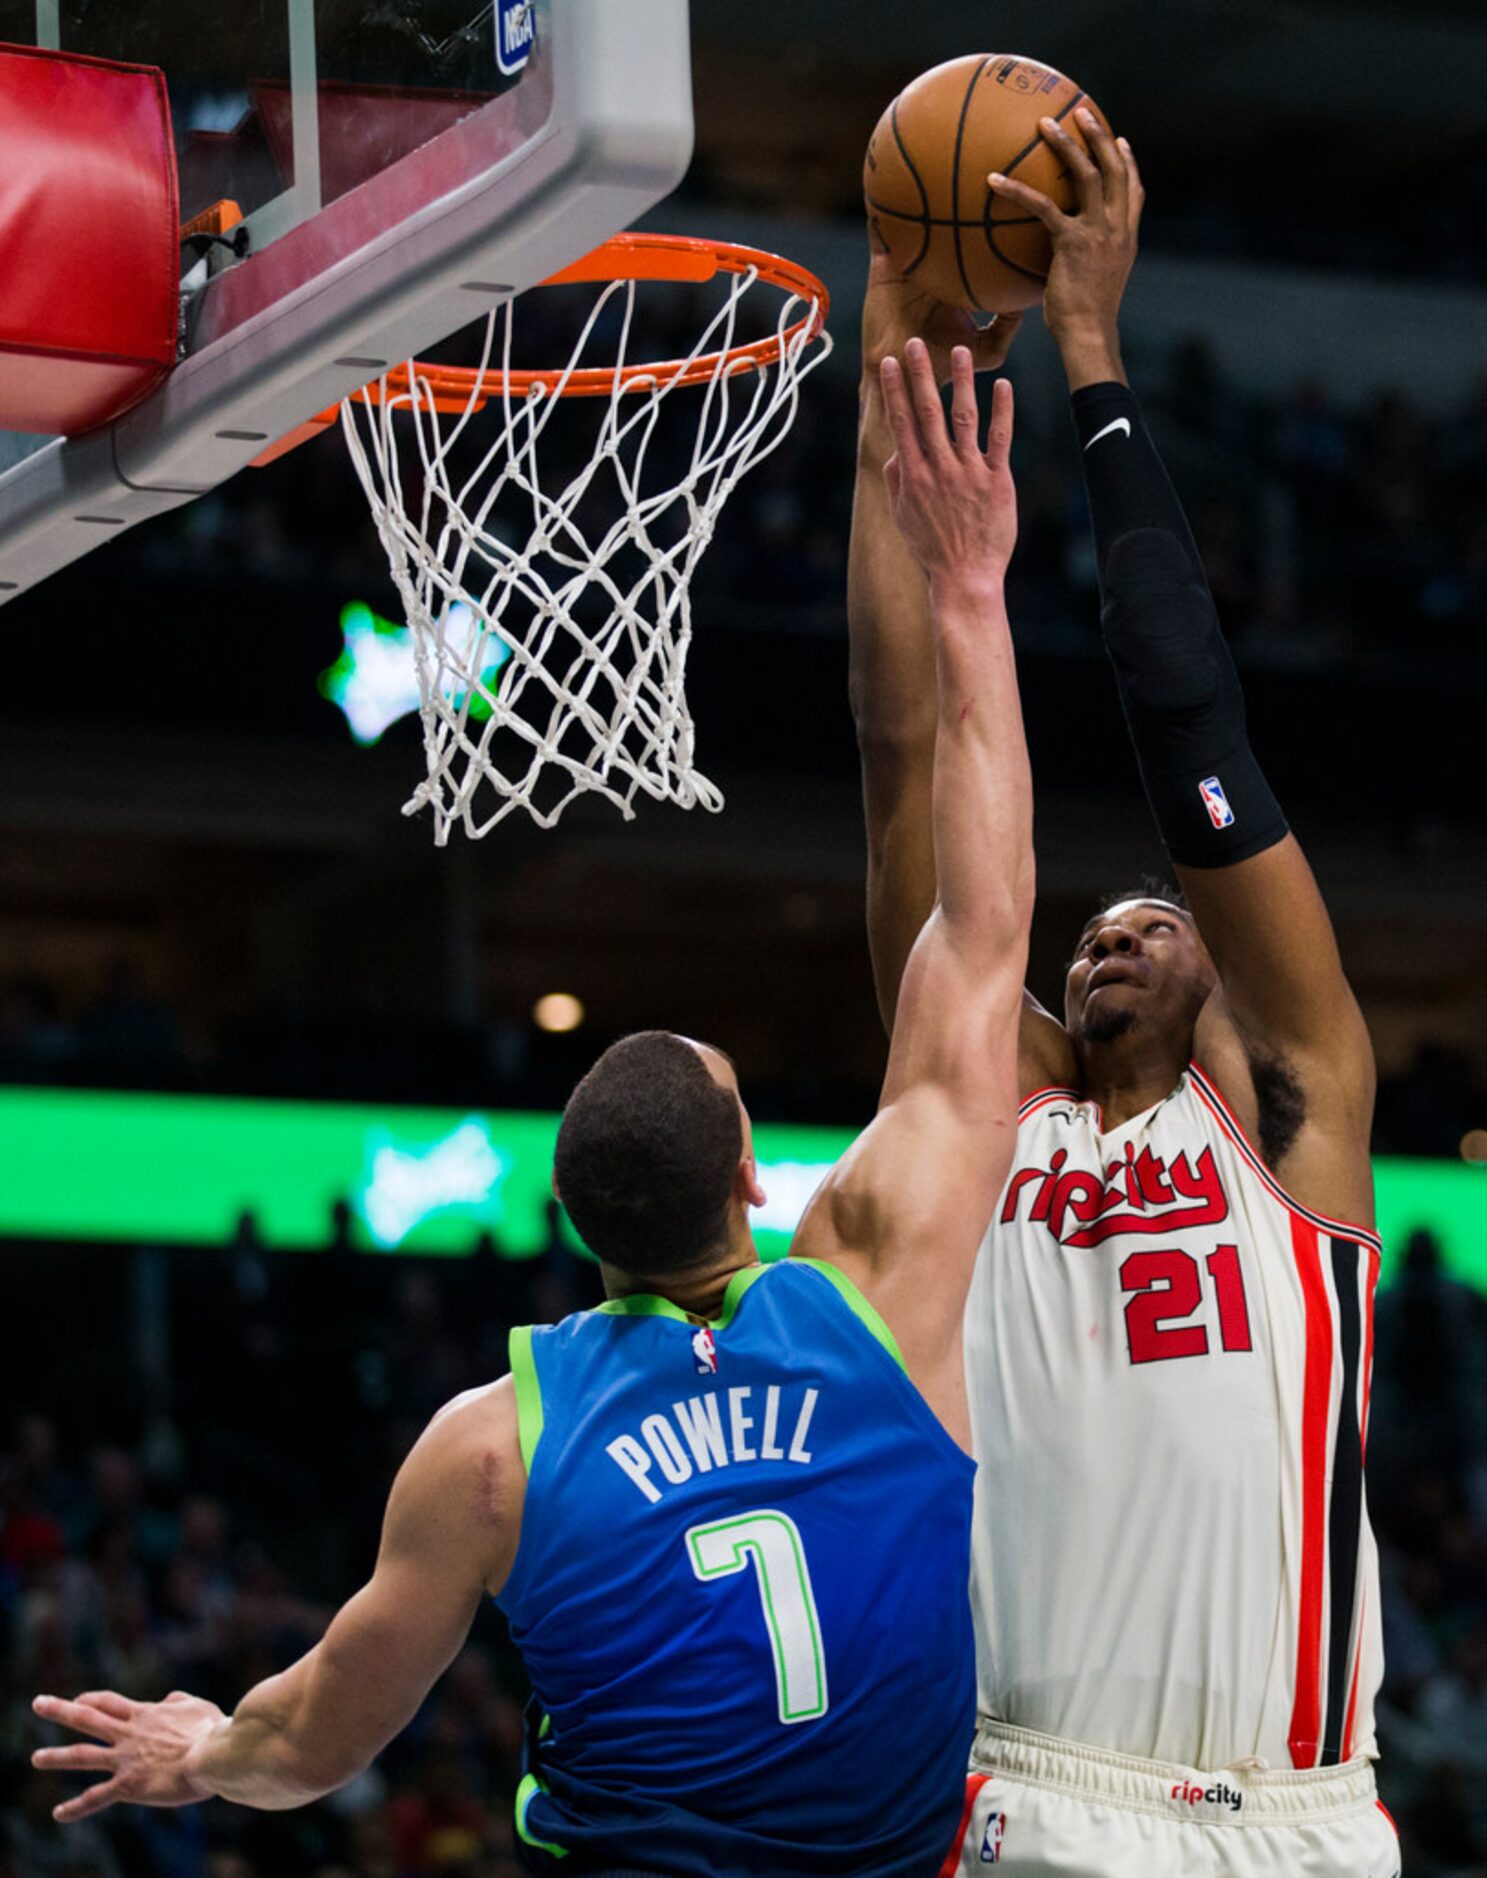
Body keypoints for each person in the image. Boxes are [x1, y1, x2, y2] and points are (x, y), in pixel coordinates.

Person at [32, 345, 1035, 1878]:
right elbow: (984, 925)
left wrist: (202, 1751)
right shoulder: (880, 1295)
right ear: (755, 1176)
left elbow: (317, 1741)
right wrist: (969, 592)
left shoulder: (492, 1443)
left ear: (576, 1226)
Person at [849, 112, 1398, 1878]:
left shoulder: (1300, 1120)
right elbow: (898, 749)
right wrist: (895, 386)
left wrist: (1090, 361)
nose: (1104, 931)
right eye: (1086, 927)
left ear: (1226, 975)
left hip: (1303, 1810)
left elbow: (1193, 729)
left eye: (1153, 916)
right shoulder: (986, 1110)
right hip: (1029, 1791)